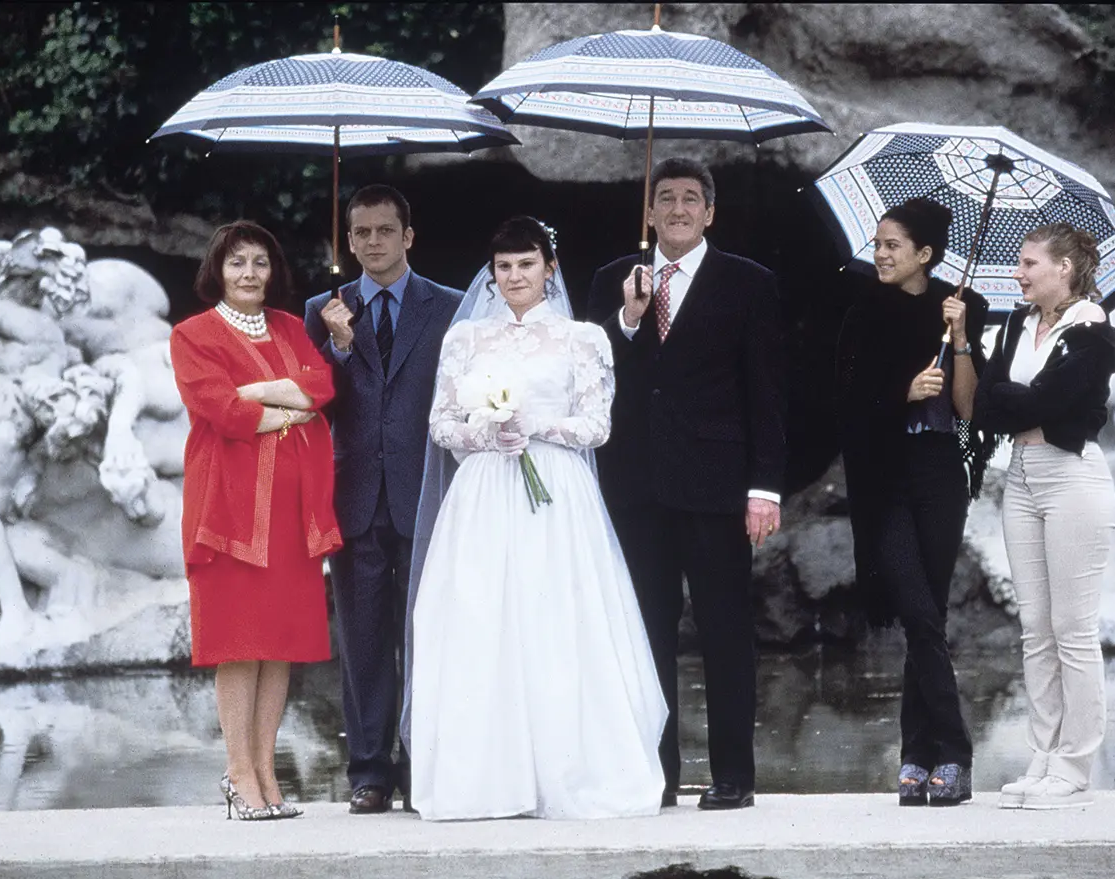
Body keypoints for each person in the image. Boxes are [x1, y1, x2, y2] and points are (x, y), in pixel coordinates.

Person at [405, 216, 666, 820]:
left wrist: (535, 426)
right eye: (504, 267)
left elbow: (596, 427)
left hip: (555, 493)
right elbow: (441, 425)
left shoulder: (584, 339)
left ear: (550, 269)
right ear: (491, 276)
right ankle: (488, 780)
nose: (515, 276)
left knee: (555, 620)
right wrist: (486, 430)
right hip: (482, 493)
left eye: (526, 264)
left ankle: (564, 773)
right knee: (481, 618)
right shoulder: (465, 339)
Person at [587, 157, 787, 811]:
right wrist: (629, 320)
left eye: (690, 198)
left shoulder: (750, 282)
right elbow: (589, 376)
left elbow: (767, 392)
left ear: (710, 212)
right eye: (665, 197)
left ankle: (734, 775)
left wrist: (765, 488)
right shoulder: (614, 280)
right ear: (649, 211)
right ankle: (657, 774)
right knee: (645, 632)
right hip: (634, 488)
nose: (677, 208)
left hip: (717, 487)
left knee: (725, 630)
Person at [170, 221, 341, 821]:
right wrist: (291, 406)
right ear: (217, 270)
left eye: (260, 262)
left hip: (293, 515)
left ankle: (267, 772)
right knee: (239, 644)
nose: (249, 273)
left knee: (279, 645)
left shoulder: (291, 327)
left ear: (273, 270)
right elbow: (221, 410)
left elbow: (323, 386)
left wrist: (261, 390)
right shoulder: (192, 335)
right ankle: (239, 774)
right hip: (229, 513)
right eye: (237, 262)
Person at [304, 185, 462, 814]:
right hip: (354, 497)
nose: (373, 242)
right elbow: (313, 402)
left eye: (385, 231)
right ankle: (369, 772)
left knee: (429, 636)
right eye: (362, 232)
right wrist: (339, 347)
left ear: (408, 236)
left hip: (428, 495)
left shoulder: (450, 306)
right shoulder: (324, 309)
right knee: (364, 642)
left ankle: (426, 764)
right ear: (348, 240)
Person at [834, 199, 991, 807]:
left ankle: (918, 758)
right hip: (884, 477)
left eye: (892, 245)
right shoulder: (862, 312)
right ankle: (955, 752)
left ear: (925, 254)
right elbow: (843, 405)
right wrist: (902, 391)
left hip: (939, 474)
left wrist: (959, 338)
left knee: (931, 614)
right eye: (878, 243)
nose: (880, 254)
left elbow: (968, 408)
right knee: (919, 613)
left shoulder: (961, 305)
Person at [973, 223, 1115, 810]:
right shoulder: (1015, 325)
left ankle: (1074, 766)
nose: (1019, 274)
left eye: (1029, 263)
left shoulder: (1092, 329)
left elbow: (1048, 402)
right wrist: (1018, 401)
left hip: (1073, 479)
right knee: (1035, 628)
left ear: (1064, 268)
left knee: (1073, 630)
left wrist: (1018, 401)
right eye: (1019, 263)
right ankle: (1044, 754)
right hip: (1021, 476)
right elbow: (986, 407)